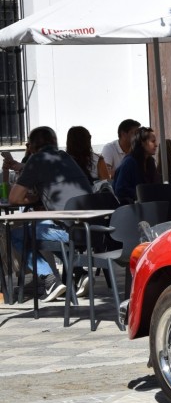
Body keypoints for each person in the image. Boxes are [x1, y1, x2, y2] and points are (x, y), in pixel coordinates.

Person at [8, 126, 92, 302]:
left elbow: (14, 198)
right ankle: (78, 273)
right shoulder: (66, 157)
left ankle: (49, 279)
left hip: (69, 229)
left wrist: (33, 198)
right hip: (90, 228)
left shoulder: (36, 160)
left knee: (15, 235)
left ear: (32, 146)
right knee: (46, 227)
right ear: (54, 142)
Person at [113, 126, 159, 202]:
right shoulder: (129, 162)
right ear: (142, 143)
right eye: (153, 141)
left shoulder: (150, 161)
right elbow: (120, 189)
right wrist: (141, 194)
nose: (156, 145)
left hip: (146, 204)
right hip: (130, 206)